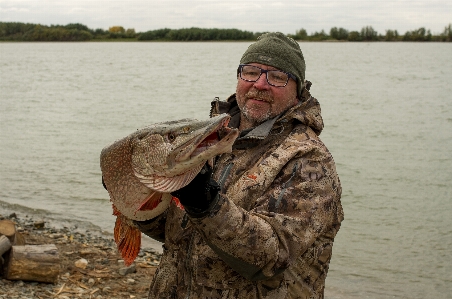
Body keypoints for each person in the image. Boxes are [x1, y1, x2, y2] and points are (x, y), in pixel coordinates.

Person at [133, 32, 344, 299]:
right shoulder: (208, 143)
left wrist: (206, 204)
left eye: (277, 77)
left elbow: (272, 256)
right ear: (239, 78)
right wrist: (139, 205)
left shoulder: (310, 161)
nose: (260, 84)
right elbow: (177, 235)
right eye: (251, 72)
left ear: (298, 91)